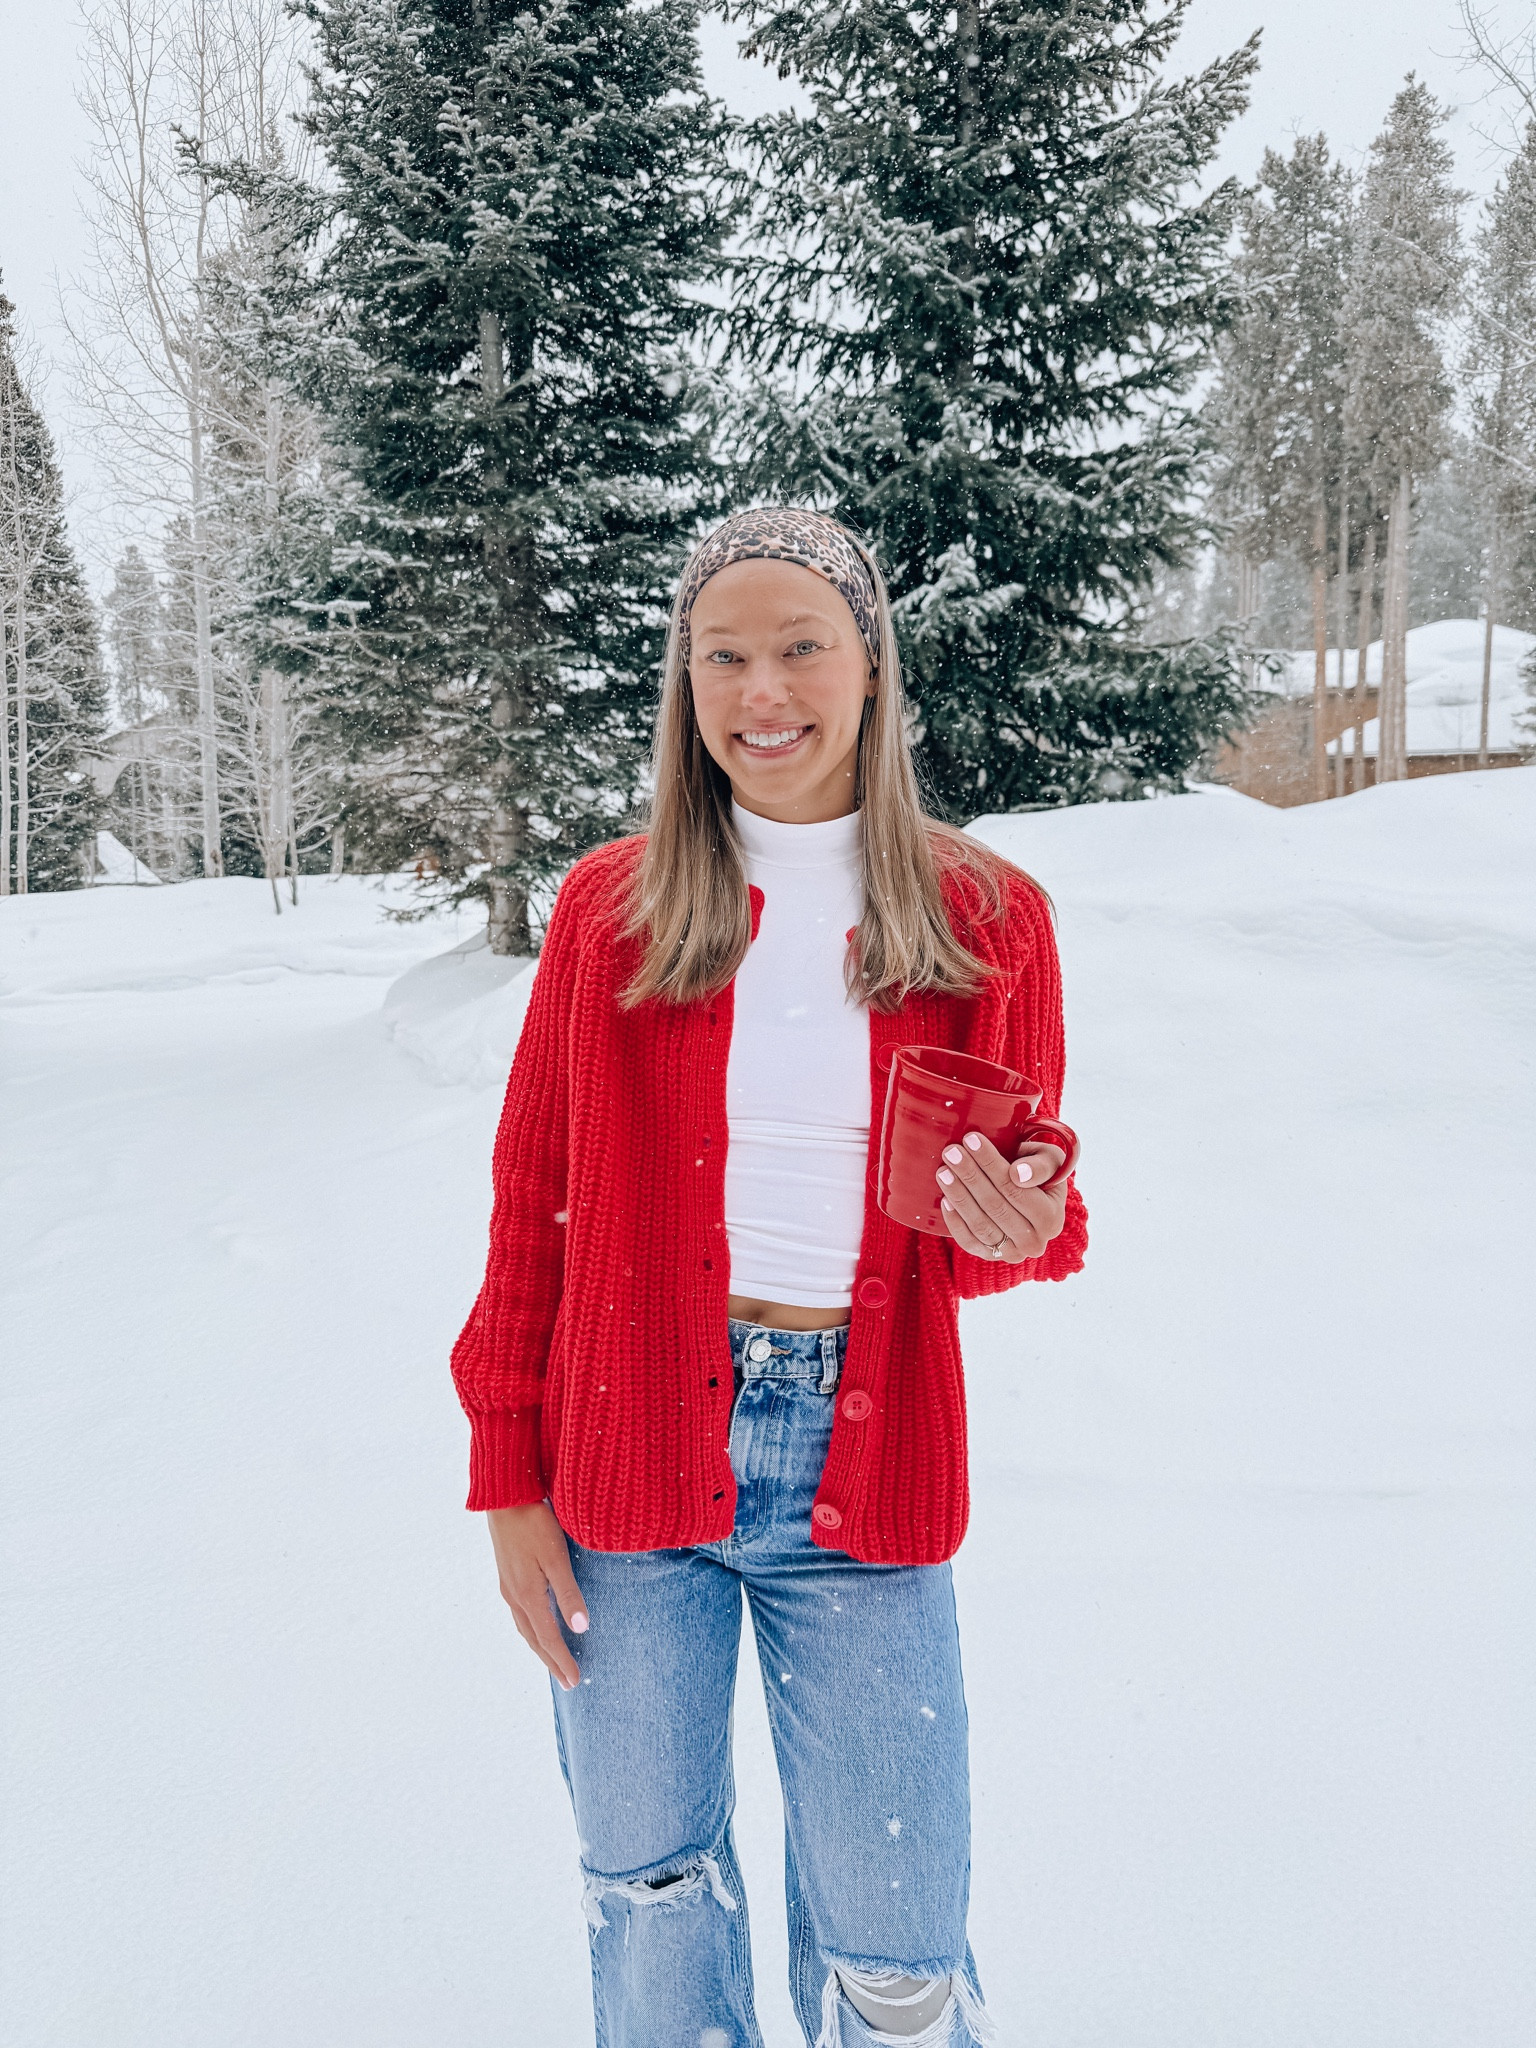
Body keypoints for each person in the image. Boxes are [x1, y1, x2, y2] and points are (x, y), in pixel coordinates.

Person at [451, 507, 1088, 2047]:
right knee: (649, 1890)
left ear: (870, 665)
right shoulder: (613, 908)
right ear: (687, 687)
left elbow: (1030, 1212)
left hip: (860, 1476)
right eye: (721, 654)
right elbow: (532, 1209)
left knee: (899, 1946)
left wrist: (1019, 1226)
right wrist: (508, 1476)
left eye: (800, 644)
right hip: (623, 1460)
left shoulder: (986, 916)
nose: (761, 688)